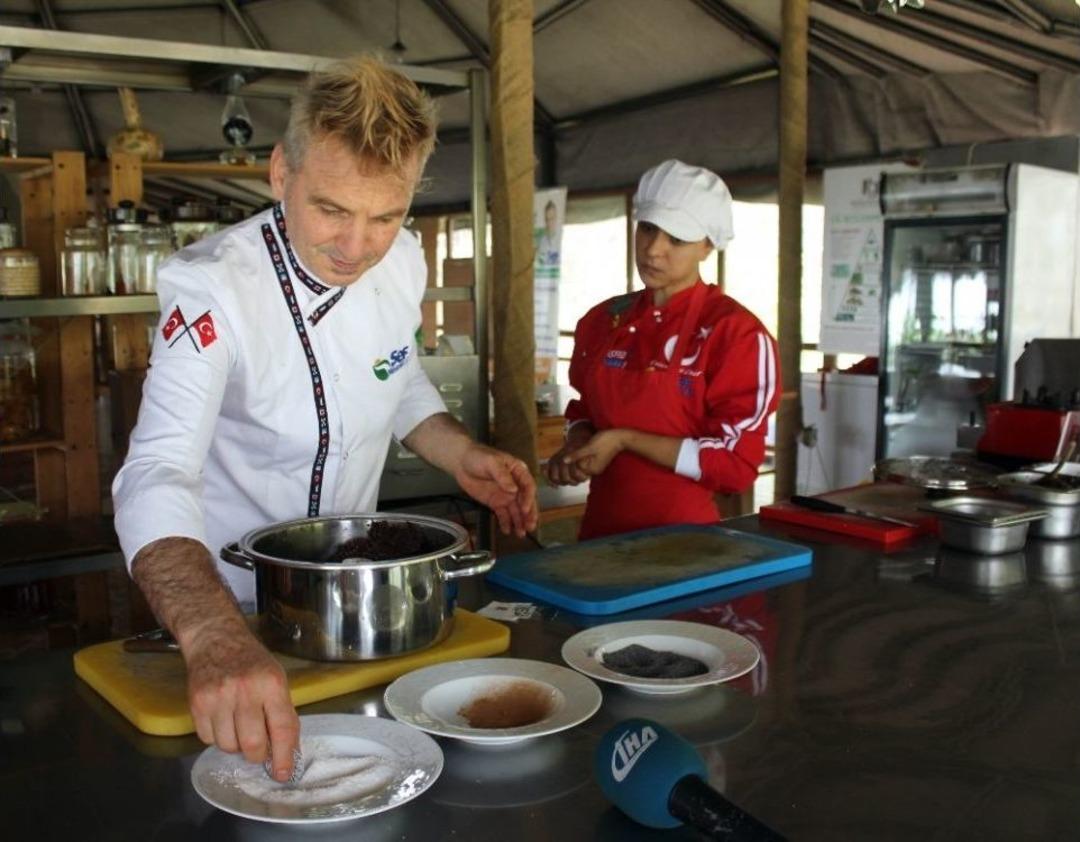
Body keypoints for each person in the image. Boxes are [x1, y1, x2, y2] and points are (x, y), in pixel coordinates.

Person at [112, 56, 537, 782]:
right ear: (282, 174)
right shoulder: (211, 286)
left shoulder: (401, 261)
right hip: (228, 613)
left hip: (356, 610)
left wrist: (455, 451)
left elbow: (394, 377)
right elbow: (156, 469)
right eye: (332, 210)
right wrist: (213, 636)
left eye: (386, 215)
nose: (355, 246)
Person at [546, 159, 778, 540]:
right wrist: (578, 442)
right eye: (649, 229)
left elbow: (734, 466)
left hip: (685, 545)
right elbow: (584, 408)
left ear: (707, 246)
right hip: (598, 540)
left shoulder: (735, 334)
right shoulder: (602, 321)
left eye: (677, 238)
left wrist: (624, 439)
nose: (654, 250)